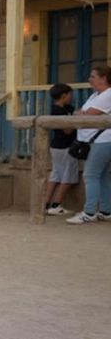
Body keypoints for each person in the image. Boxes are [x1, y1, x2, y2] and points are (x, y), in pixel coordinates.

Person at [66, 64, 111, 224]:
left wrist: (82, 113)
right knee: (103, 176)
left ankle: (89, 212)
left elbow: (89, 114)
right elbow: (80, 112)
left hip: (103, 140)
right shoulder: (95, 95)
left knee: (90, 175)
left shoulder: (108, 94)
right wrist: (81, 113)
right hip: (94, 140)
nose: (89, 80)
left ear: (104, 78)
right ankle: (106, 210)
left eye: (93, 76)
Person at [44, 83, 81, 216]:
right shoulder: (58, 111)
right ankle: (56, 204)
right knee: (68, 176)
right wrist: (77, 120)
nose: (72, 97)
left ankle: (46, 204)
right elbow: (67, 130)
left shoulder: (65, 108)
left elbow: (75, 111)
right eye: (70, 95)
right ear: (63, 95)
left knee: (56, 175)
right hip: (65, 147)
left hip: (56, 147)